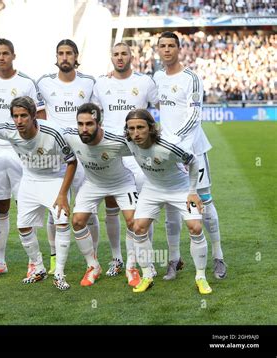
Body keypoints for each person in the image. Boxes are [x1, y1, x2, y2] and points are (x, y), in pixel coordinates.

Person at [0, 96, 77, 290]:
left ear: (34, 116)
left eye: (24, 116)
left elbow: (72, 161)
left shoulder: (52, 132)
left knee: (62, 220)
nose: (19, 120)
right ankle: (38, 267)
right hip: (30, 179)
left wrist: (62, 194)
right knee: (23, 227)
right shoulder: (8, 130)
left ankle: (59, 273)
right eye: (15, 116)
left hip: (54, 179)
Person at [154, 31, 227, 280]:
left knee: (204, 202)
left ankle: (218, 257)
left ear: (179, 49)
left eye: (171, 46)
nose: (166, 50)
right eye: (162, 46)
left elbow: (195, 116)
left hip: (192, 149)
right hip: (168, 153)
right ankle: (174, 260)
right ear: (158, 50)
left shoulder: (191, 78)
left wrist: (175, 143)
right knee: (171, 207)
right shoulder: (157, 78)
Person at [124, 109, 212, 295]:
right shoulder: (129, 142)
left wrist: (193, 192)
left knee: (195, 227)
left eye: (140, 127)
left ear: (151, 128)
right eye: (131, 128)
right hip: (152, 188)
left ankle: (201, 277)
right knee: (138, 227)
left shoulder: (168, 146)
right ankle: (147, 275)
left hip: (180, 189)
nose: (136, 133)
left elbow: (194, 161)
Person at [92, 42, 158, 278]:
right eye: (116, 54)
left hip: (139, 154)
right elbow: (93, 116)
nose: (120, 58)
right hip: (110, 154)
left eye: (124, 54)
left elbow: (163, 108)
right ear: (111, 57)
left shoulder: (145, 82)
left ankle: (140, 262)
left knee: (140, 212)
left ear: (132, 56)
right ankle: (117, 258)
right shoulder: (101, 83)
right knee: (111, 208)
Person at [0, 38, 45, 278]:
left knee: (25, 204)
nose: (1, 57)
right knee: (0, 206)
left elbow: (41, 115)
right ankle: (0, 261)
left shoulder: (26, 82)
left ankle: (33, 261)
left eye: (5, 53)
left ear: (13, 55)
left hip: (21, 150)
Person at [36, 39, 98, 275]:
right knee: (56, 210)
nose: (64, 57)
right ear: (56, 56)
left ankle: (92, 259)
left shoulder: (89, 82)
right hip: (56, 156)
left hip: (83, 154)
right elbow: (40, 117)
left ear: (76, 56)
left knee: (88, 209)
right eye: (61, 53)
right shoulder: (43, 83)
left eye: (69, 53)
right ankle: (54, 259)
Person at [62, 103, 139, 287]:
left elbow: (144, 147)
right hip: (93, 184)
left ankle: (131, 266)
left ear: (99, 123)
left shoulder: (117, 141)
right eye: (80, 124)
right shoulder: (70, 136)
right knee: (77, 221)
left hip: (121, 183)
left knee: (134, 222)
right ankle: (93, 266)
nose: (84, 129)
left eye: (89, 124)